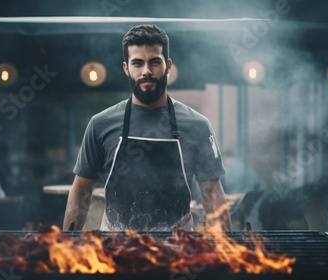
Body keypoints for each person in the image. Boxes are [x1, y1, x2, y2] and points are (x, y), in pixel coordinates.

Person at [63, 24, 232, 232]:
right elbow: (81, 191)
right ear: (126, 68)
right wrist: (68, 243)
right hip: (114, 250)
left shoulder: (197, 126)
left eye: (154, 62)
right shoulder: (101, 124)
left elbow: (212, 193)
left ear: (168, 65)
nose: (146, 71)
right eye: (137, 63)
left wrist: (227, 249)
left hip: (180, 251)